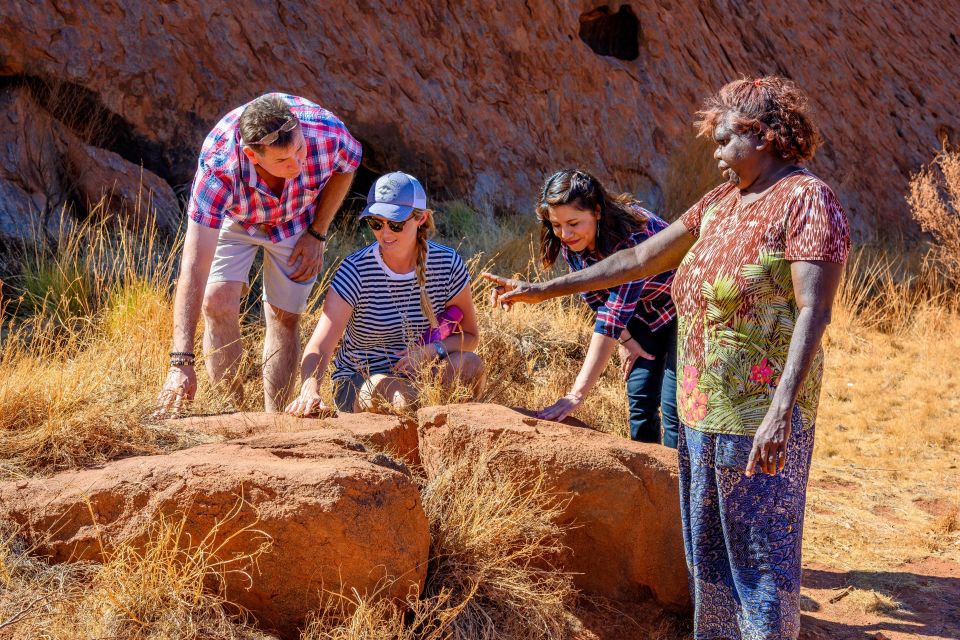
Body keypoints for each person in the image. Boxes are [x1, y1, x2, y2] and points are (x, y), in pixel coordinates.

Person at [484, 76, 850, 639]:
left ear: (764, 137)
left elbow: (813, 311)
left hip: (758, 419)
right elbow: (636, 259)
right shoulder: (721, 202)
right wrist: (539, 290)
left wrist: (782, 410)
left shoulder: (806, 200)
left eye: (726, 140)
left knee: (759, 563)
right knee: (707, 556)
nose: (716, 152)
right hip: (702, 412)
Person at [152, 93, 361, 417]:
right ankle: (237, 418)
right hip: (239, 218)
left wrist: (318, 231)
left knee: (283, 315)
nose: (297, 164)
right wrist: (180, 362)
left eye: (300, 150)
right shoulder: (219, 167)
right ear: (252, 154)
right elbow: (195, 264)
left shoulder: (325, 131)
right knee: (216, 301)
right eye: (283, 161)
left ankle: (274, 420)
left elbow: (348, 165)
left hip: (297, 219)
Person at [285, 172, 485, 416]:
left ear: (421, 218)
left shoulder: (447, 264)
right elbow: (321, 345)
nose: (385, 233)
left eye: (396, 224)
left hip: (422, 372)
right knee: (401, 397)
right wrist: (309, 388)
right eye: (376, 223)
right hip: (361, 380)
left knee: (470, 364)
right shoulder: (355, 270)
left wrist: (431, 351)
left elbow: (470, 336)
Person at [531, 169, 679, 447]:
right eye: (556, 225)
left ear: (597, 211)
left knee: (674, 408)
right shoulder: (572, 244)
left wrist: (576, 394)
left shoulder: (633, 236)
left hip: (678, 307)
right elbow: (599, 302)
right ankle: (652, 477)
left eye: (574, 223)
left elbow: (611, 318)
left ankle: (677, 484)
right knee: (640, 399)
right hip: (639, 314)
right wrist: (627, 340)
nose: (565, 234)